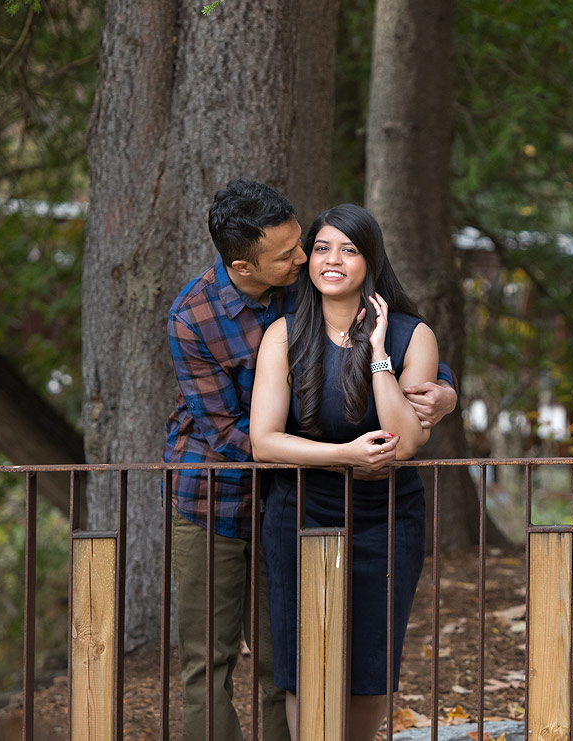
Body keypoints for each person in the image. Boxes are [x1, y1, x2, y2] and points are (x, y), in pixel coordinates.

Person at [164, 181, 458, 741]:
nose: (307, 258)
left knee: (289, 660)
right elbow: (240, 435)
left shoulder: (300, 284)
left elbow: (391, 345)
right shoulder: (195, 316)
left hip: (312, 494)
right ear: (244, 267)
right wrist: (338, 456)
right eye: (298, 252)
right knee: (211, 659)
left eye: (312, 244)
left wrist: (440, 388)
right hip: (218, 495)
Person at [249, 204, 437, 741]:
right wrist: (344, 456)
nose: (334, 261)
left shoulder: (411, 336)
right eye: (324, 248)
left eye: (349, 250)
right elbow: (264, 442)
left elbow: (405, 443)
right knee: (303, 663)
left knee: (370, 670)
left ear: (370, 260)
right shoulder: (284, 335)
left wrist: (379, 355)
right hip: (301, 514)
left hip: (388, 517)